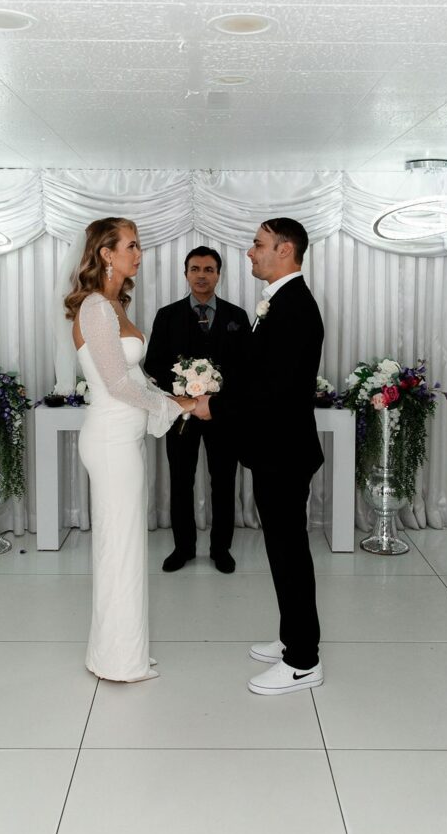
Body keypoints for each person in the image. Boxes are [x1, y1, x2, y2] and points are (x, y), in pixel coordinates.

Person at [193, 219, 325, 695]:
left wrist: (214, 404)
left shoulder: (294, 308)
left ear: (285, 250)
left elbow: (274, 390)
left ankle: (304, 661)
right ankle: (293, 637)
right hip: (276, 449)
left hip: (284, 453)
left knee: (289, 553)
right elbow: (257, 372)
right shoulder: (280, 302)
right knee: (281, 550)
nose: (250, 253)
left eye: (258, 244)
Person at [64, 218, 196, 683]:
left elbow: (134, 377)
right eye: (132, 245)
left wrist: (172, 393)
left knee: (125, 544)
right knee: (119, 547)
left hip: (124, 438)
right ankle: (119, 659)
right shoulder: (97, 309)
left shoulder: (115, 306)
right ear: (106, 253)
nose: (139, 253)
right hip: (110, 439)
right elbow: (118, 384)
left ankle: (123, 648)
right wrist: (179, 404)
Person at [145, 246, 252, 574]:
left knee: (223, 481)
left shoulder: (237, 316)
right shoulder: (167, 315)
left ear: (218, 274)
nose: (202, 275)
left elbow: (248, 368)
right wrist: (182, 392)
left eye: (208, 269)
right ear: (186, 273)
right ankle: (183, 548)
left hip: (223, 413)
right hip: (180, 414)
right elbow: (153, 363)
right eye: (195, 269)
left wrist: (216, 397)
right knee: (180, 480)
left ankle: (221, 549)